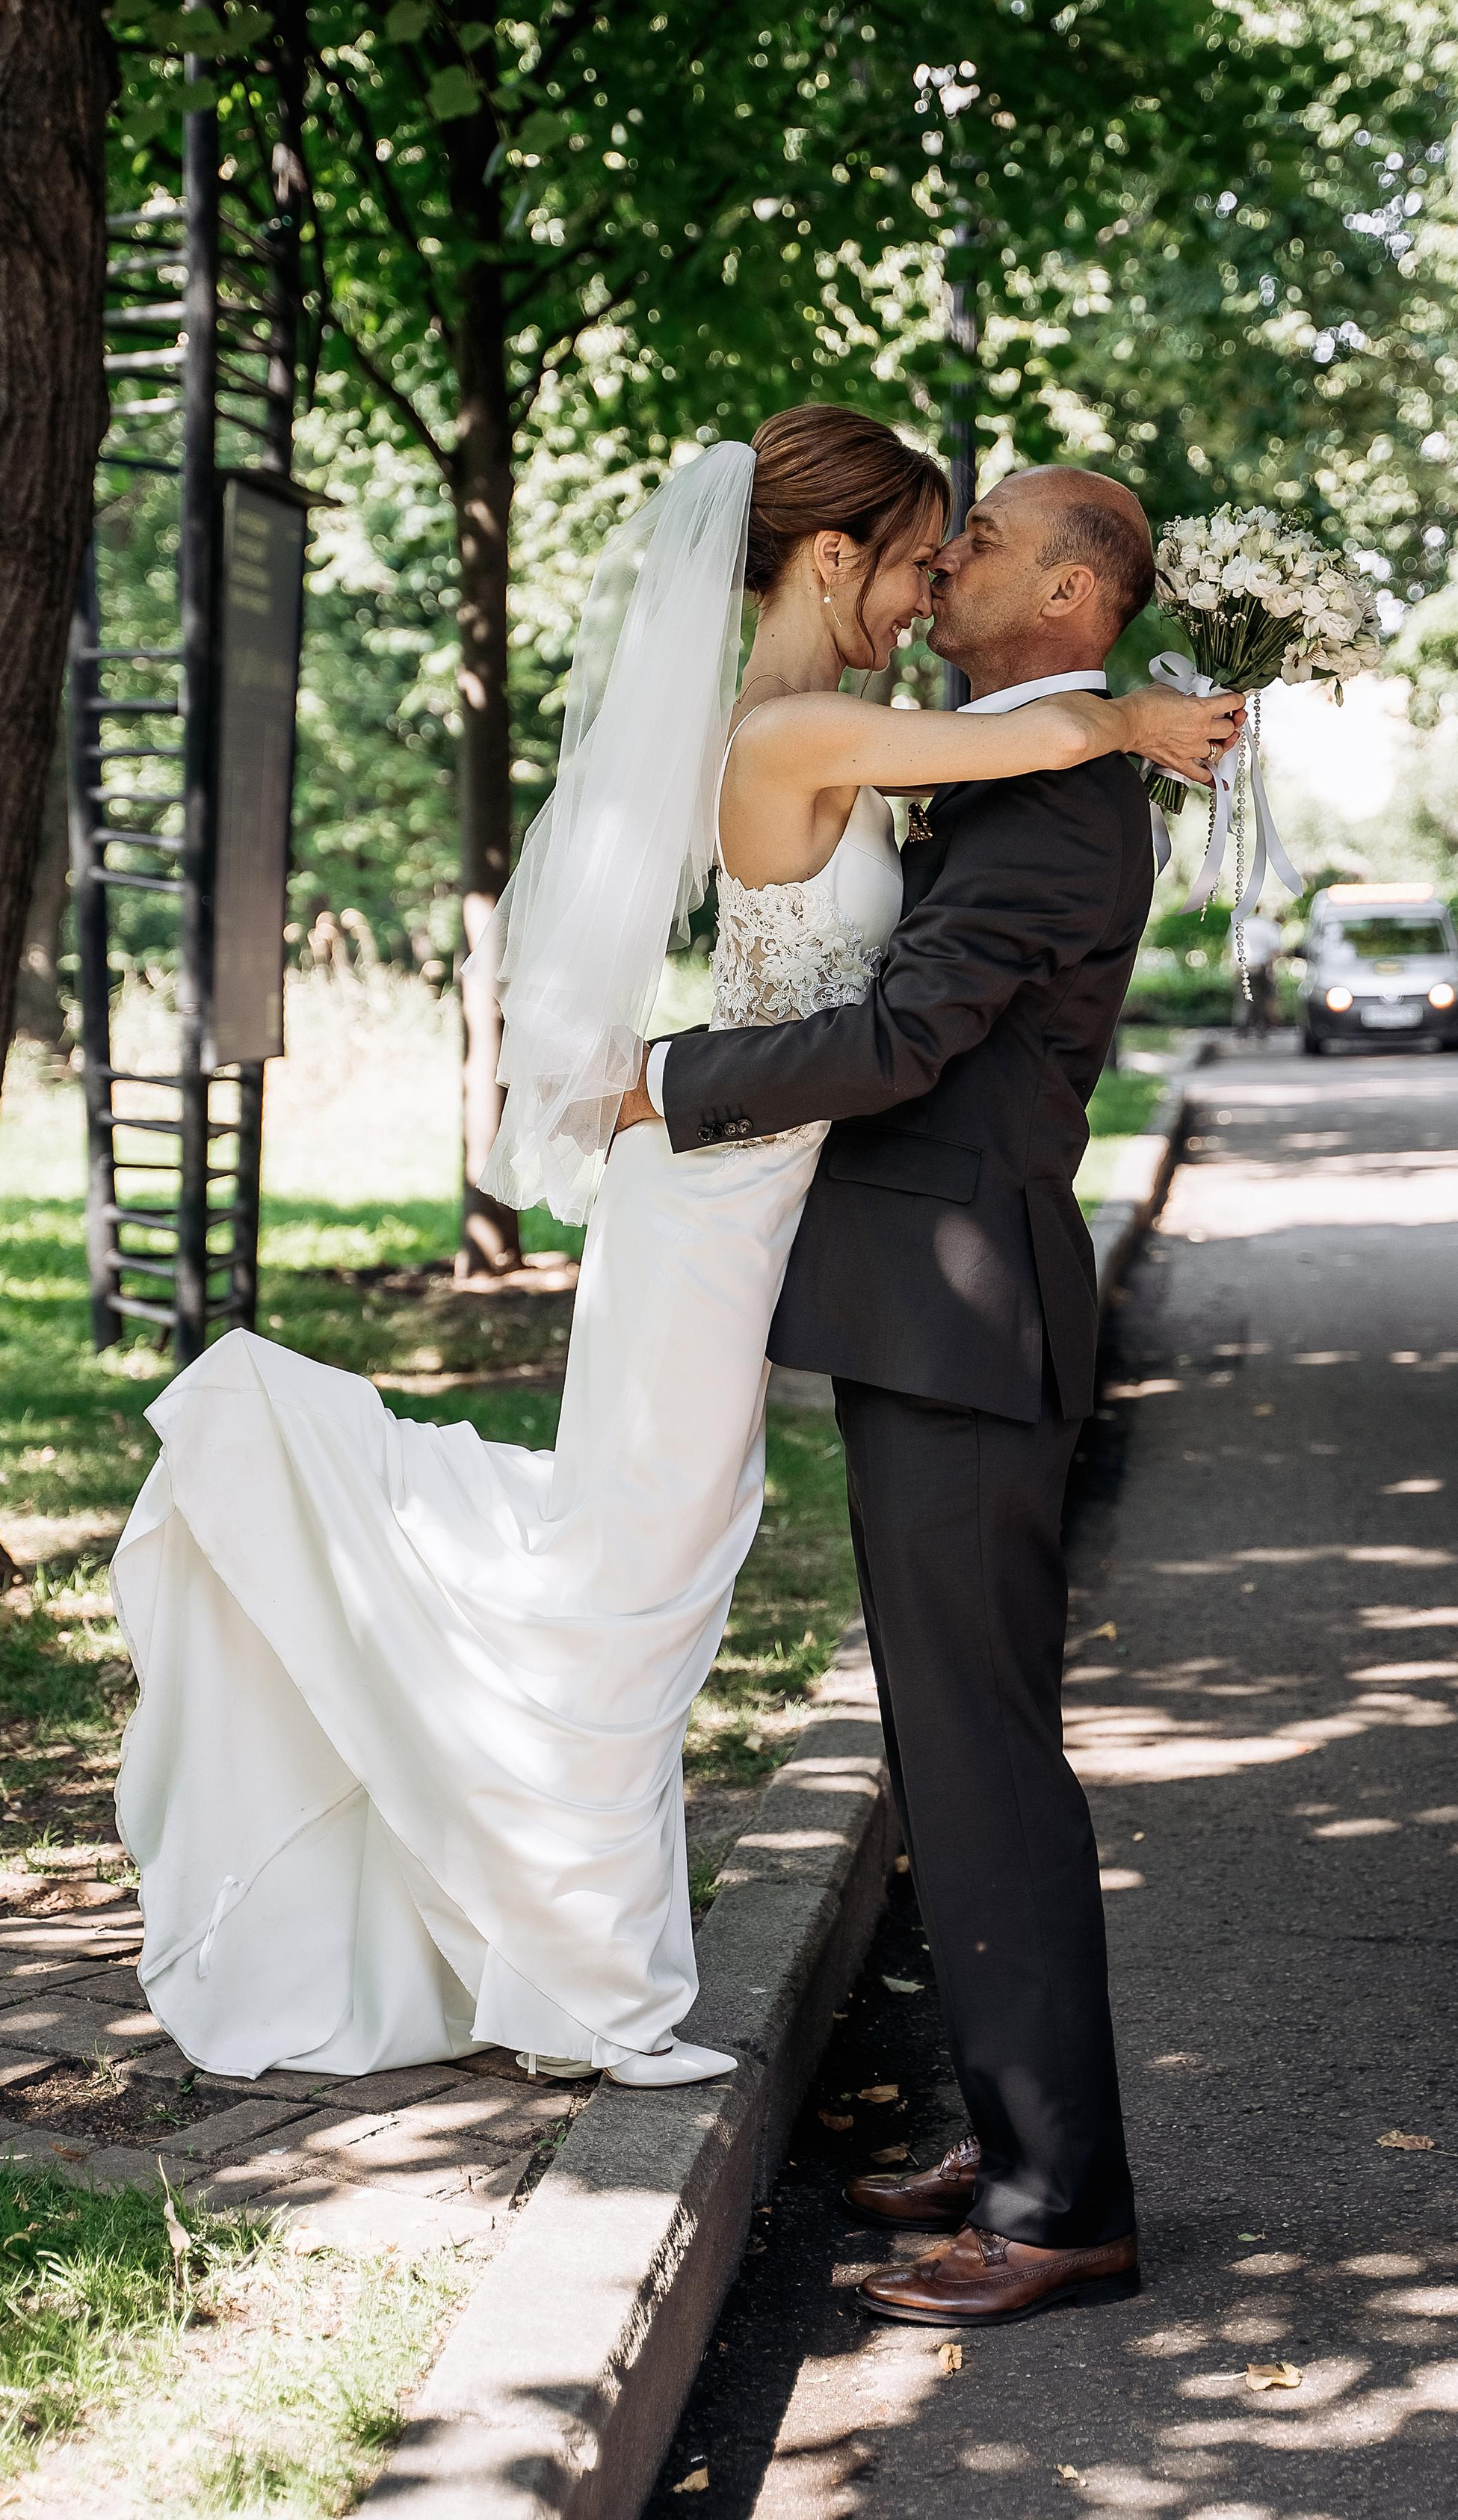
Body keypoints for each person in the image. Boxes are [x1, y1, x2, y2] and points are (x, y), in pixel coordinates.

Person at [109, 409, 1241, 2098]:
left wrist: (1112, 713)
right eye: (930, 543)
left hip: (757, 1184)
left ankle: (571, 1954)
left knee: (657, 1569)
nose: (940, 572)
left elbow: (991, 791)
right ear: (836, 556)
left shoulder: (855, 731)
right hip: (713, 1188)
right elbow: (1020, 755)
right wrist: (1135, 714)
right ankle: (580, 1969)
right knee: (629, 1572)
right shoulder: (795, 731)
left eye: (971, 544)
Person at [616, 458, 1206, 2321]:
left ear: (1066, 599)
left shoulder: (1060, 794)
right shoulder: (1028, 758)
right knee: (959, 1751)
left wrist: (667, 1079)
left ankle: (1056, 2210)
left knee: (978, 1761)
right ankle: (1009, 2124)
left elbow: (896, 1041)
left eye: (985, 541)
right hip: (945, 1317)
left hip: (964, 1335)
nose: (944, 562)